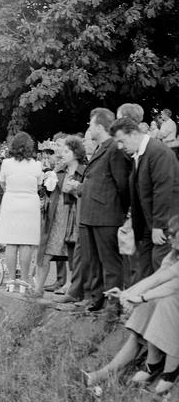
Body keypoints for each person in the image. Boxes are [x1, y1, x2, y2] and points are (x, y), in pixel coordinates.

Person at [82, 215, 179, 396]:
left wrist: (140, 297)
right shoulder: (173, 255)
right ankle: (103, 375)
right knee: (148, 307)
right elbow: (157, 278)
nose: (170, 238)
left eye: (174, 234)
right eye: (170, 233)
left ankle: (164, 371)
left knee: (163, 303)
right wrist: (127, 294)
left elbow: (172, 285)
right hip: (170, 299)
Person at [111, 116, 179, 280]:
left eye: (122, 141)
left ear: (134, 133)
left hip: (165, 226)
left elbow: (163, 191)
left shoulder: (158, 152)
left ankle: (164, 305)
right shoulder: (140, 154)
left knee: (161, 268)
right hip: (150, 226)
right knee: (145, 269)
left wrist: (158, 225)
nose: (120, 147)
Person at [78, 107, 131, 312]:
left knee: (110, 262)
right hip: (93, 214)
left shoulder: (114, 149)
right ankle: (97, 297)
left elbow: (122, 184)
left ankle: (113, 303)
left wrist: (121, 210)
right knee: (94, 261)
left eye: (91, 124)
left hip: (107, 214)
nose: (89, 128)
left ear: (99, 126)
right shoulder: (102, 147)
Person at [34, 136, 86, 296]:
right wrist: (48, 181)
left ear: (75, 153)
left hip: (74, 216)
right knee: (45, 252)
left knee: (73, 254)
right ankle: (37, 289)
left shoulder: (84, 171)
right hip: (56, 216)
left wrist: (75, 190)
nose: (62, 154)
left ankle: (71, 287)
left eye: (66, 151)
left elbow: (86, 195)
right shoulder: (59, 170)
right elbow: (49, 192)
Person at [0, 131, 44, 287]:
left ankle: (11, 279)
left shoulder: (6, 164)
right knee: (26, 242)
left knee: (11, 242)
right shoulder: (36, 165)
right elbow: (39, 184)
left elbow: (3, 183)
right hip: (30, 204)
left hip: (11, 202)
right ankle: (24, 279)